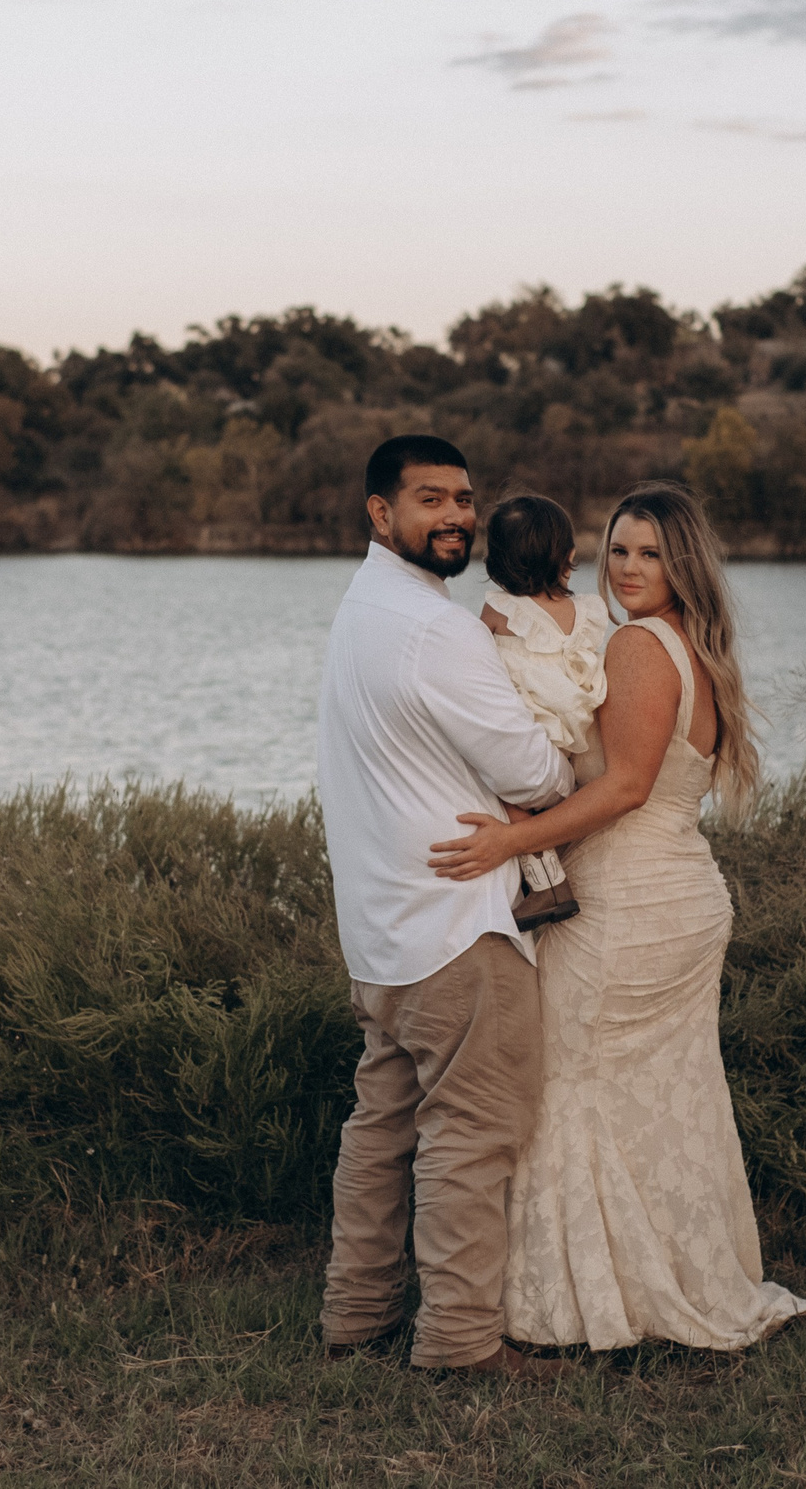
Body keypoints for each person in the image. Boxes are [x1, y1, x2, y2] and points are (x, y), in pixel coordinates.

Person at [431, 481, 806, 1352]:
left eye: (651, 552)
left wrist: (511, 838)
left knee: (568, 1087)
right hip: (676, 890)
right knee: (661, 1100)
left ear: (683, 564)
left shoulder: (641, 645)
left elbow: (626, 786)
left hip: (631, 905)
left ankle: (586, 1301)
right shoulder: (689, 645)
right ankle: (664, 1280)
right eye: (620, 548)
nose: (631, 567)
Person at [313, 434, 578, 1380]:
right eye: (430, 500)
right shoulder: (439, 628)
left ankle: (356, 1313)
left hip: (381, 930)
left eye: (464, 499)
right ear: (381, 513)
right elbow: (538, 772)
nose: (457, 516)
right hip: (457, 924)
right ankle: (461, 1345)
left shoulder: (361, 609)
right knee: (472, 1134)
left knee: (383, 1125)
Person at [476, 495, 611, 927]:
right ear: (568, 556)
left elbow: (473, 664)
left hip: (535, 729)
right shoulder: (588, 609)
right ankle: (549, 876)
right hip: (578, 733)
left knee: (500, 784)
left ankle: (547, 883)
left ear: (496, 561)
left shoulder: (500, 608)